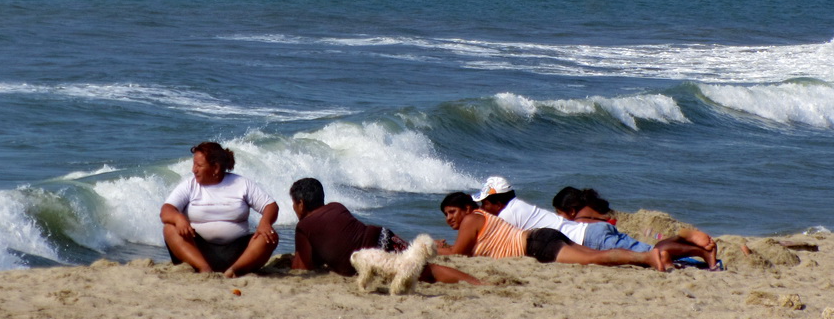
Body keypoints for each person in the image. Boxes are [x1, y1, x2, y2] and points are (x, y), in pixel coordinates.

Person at [289, 177, 481, 286]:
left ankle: (478, 284)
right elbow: (339, 238)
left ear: (301, 203)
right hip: (380, 236)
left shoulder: (304, 227)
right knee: (424, 269)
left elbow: (303, 267)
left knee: (422, 272)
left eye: (293, 204)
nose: (294, 209)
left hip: (370, 254)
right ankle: (477, 283)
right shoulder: (336, 206)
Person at [438, 192, 669, 270]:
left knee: (595, 259)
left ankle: (647, 257)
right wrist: (447, 248)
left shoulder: (471, 219)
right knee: (592, 257)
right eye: (446, 215)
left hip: (539, 244)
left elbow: (459, 253)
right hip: (544, 236)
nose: (449, 218)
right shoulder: (480, 217)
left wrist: (437, 250)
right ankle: (652, 257)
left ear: (467, 208)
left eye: (451, 212)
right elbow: (465, 250)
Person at [160, 142, 279, 277]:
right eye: (194, 164)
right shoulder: (189, 185)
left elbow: (270, 205)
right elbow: (166, 210)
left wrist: (265, 223)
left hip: (238, 252)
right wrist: (179, 218)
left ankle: (234, 271)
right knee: (170, 228)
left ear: (216, 168)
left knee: (270, 236)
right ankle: (204, 268)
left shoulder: (241, 184)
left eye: (199, 165)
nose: (194, 170)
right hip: (198, 250)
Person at [552, 185, 720, 270]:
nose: (559, 217)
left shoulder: (575, 221)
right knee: (647, 249)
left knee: (652, 253)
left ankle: (699, 250)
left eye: (560, 213)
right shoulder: (589, 209)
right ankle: (687, 245)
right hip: (604, 230)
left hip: (596, 237)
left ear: (571, 210)